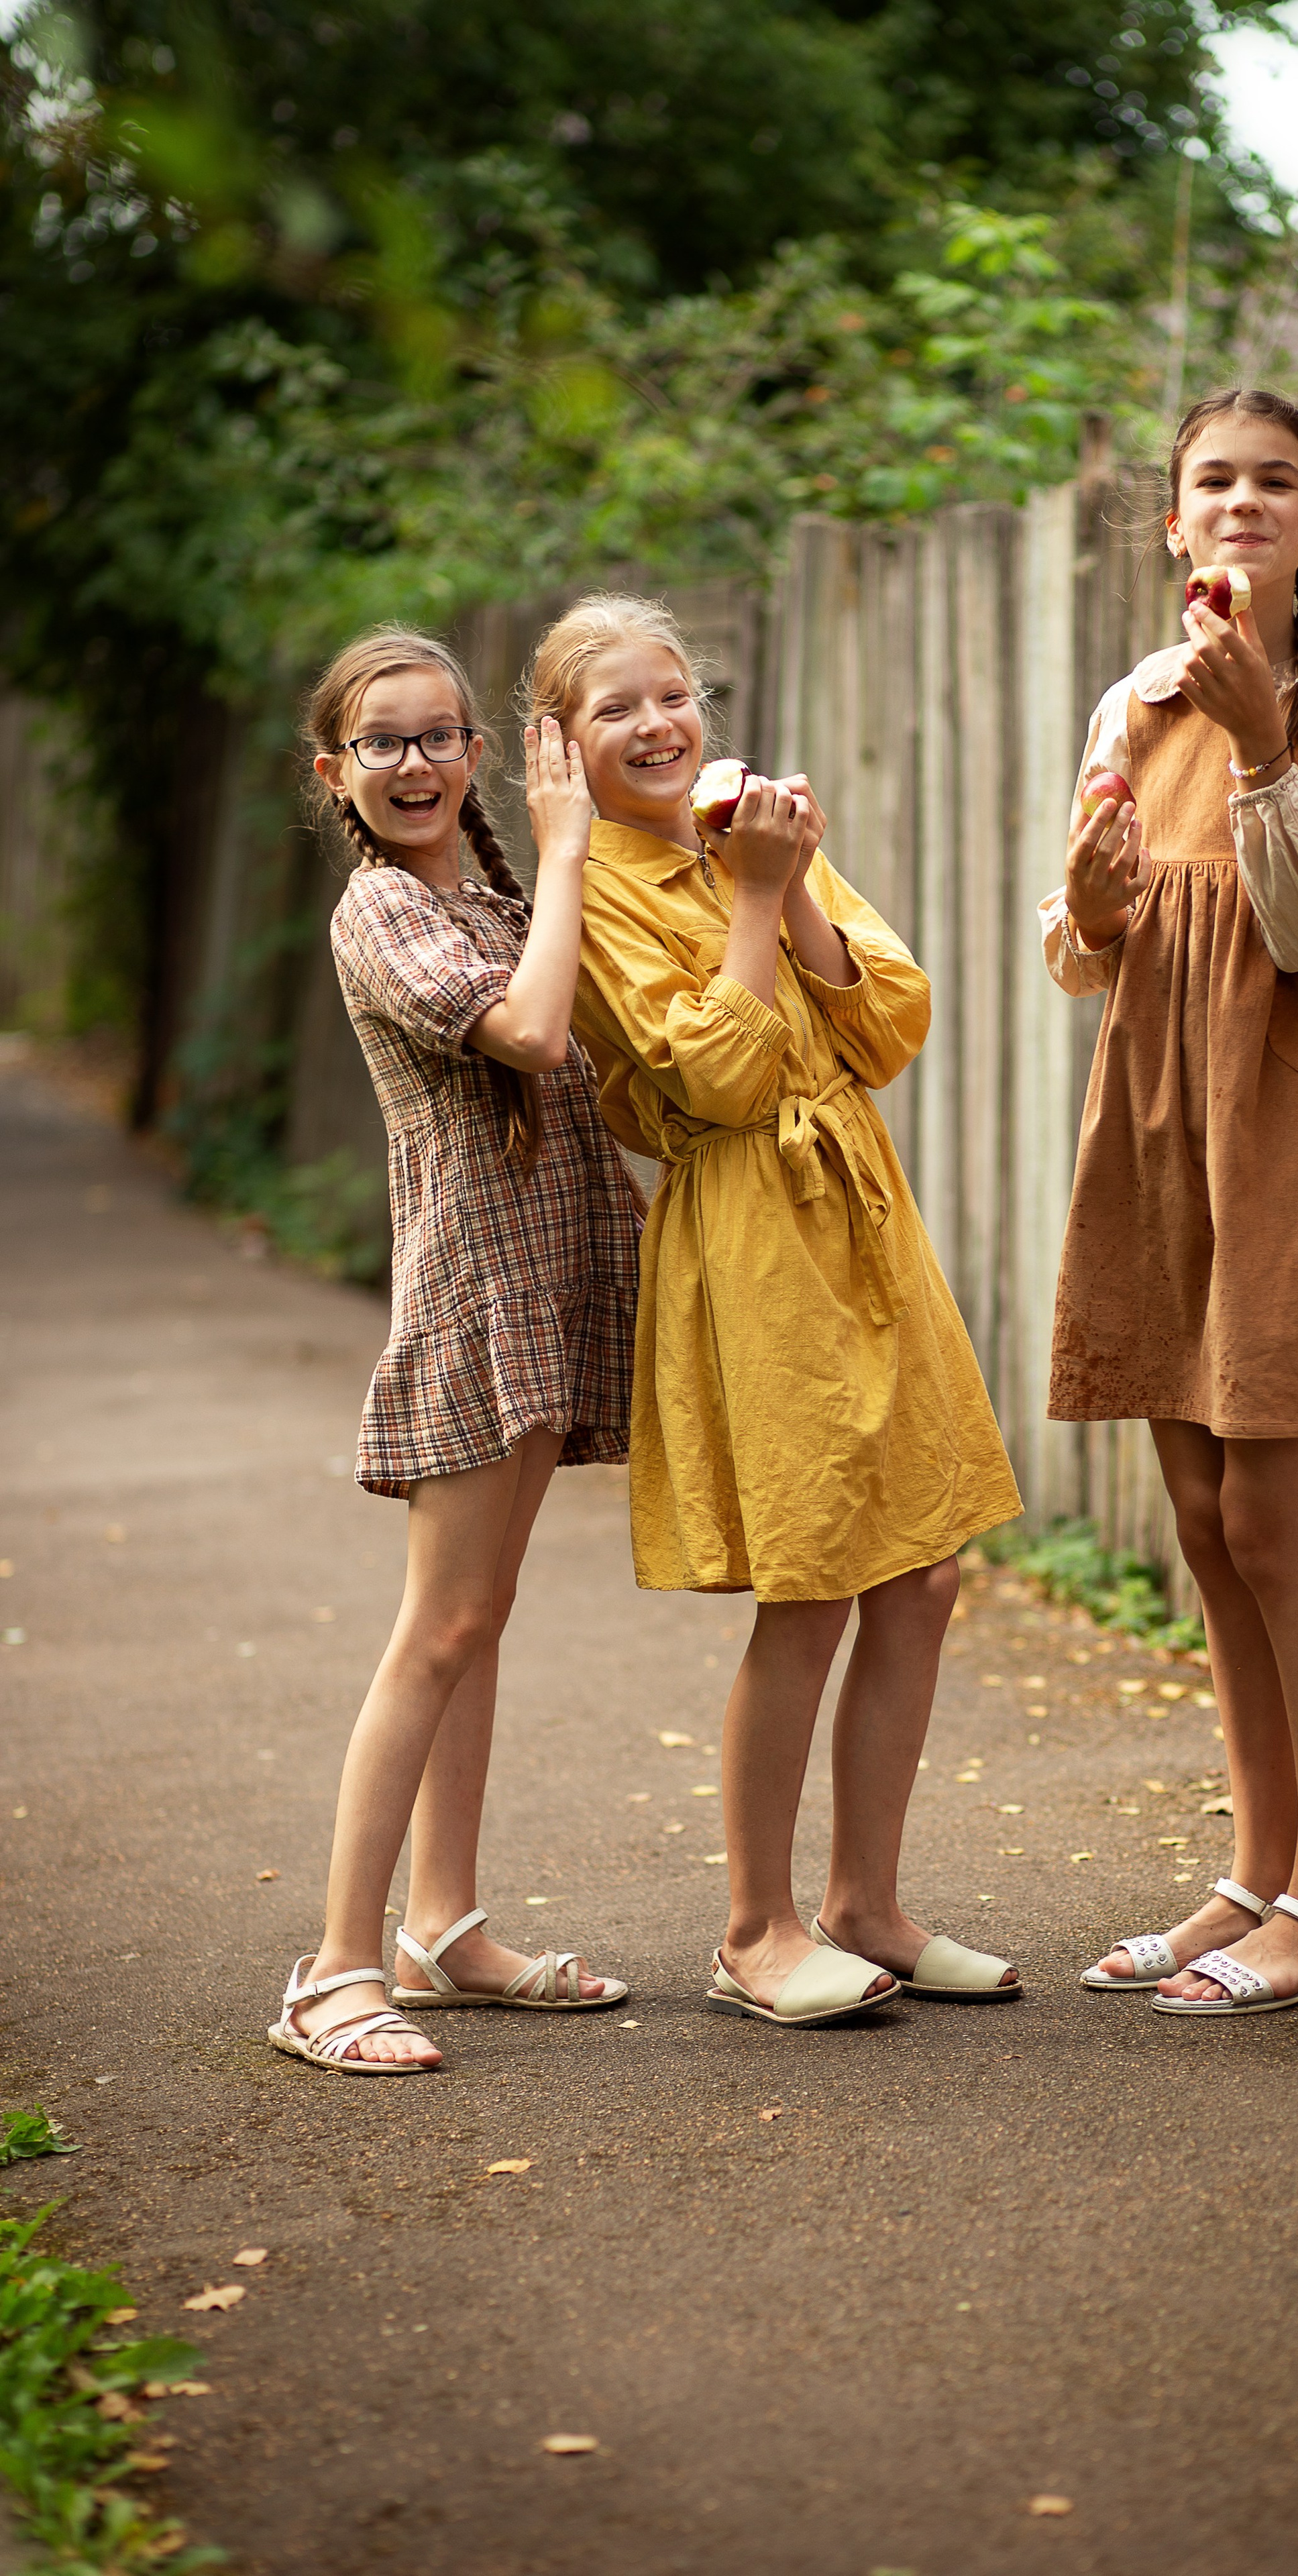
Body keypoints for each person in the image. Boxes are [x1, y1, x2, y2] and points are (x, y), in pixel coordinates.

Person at [525, 594, 1023, 2028]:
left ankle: (866, 1904)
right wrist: (752, 900)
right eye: (615, 709)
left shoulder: (751, 835)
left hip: (862, 1213)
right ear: (561, 747)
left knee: (920, 1573)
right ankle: (756, 1929)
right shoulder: (593, 890)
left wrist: (787, 880)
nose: (656, 724)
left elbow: (887, 1025)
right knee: (812, 1583)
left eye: (670, 694)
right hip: (750, 1233)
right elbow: (720, 1080)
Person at [1044, 391, 1298, 2019]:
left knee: (1279, 1519)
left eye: (1274, 482)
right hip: (1160, 1117)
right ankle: (1257, 1870)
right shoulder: (1130, 701)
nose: (1241, 503)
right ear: (1174, 523)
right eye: (1211, 481)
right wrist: (1088, 912)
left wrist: (1263, 750)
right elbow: (1082, 950)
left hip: (1292, 1119)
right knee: (1204, 1521)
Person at [268, 627, 638, 2076]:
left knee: (477, 1619)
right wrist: (569, 849)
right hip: (476, 1297)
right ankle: (334, 1973)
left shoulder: (484, 900)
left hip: (544, 1285)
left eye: (438, 736)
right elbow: (536, 1034)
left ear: (477, 752)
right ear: (336, 773)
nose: (414, 762)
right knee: (437, 1629)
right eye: (383, 742)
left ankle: (441, 1928)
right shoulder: (381, 914)